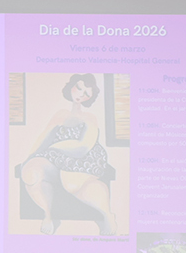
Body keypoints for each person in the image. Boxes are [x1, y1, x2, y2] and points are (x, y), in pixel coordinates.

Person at [20, 74, 116, 236]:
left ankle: (107, 214)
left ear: (90, 98)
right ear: (71, 86)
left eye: (86, 93)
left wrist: (56, 147)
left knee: (70, 184)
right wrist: (30, 157)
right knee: (30, 173)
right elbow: (44, 137)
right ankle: (48, 215)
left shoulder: (89, 117)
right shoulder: (61, 114)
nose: (80, 94)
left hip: (83, 157)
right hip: (57, 156)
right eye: (79, 88)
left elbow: (84, 146)